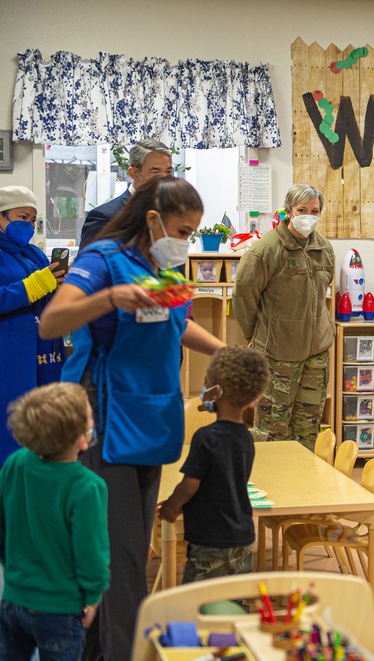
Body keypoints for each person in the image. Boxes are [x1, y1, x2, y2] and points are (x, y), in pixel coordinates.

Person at [38, 175, 224, 661]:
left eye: (192, 233)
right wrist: (109, 299)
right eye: (182, 231)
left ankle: (97, 653)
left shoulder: (167, 270)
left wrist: (228, 354)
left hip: (152, 412)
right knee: (119, 557)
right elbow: (51, 322)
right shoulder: (102, 260)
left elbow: (181, 325)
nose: (186, 242)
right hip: (103, 415)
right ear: (153, 220)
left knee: (132, 548)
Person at [0, 383, 110, 661]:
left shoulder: (15, 464)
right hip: (60, 610)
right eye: (89, 418)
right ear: (80, 439)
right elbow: (91, 553)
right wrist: (93, 596)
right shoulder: (87, 486)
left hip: (12, 599)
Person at [232, 184, 335, 450]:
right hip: (278, 354)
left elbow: (323, 290)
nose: (308, 216)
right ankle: (272, 486)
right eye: (302, 210)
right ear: (289, 211)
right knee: (272, 432)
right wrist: (257, 337)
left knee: (307, 429)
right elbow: (244, 298)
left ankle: (303, 488)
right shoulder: (265, 250)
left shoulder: (324, 248)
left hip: (317, 352)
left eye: (314, 211)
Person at [158, 346, 269, 583]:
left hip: (210, 539)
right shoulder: (246, 436)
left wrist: (171, 506)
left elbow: (189, 485)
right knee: (234, 599)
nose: (203, 389)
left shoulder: (206, 437)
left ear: (217, 391)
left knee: (201, 602)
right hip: (243, 536)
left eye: (206, 383)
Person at [0, 186, 66, 465]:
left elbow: (48, 294)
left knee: (47, 431)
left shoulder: (34, 254)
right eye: (21, 217)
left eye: (32, 220)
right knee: (12, 434)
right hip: (10, 360)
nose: (27, 225)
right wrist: (28, 288)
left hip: (46, 355)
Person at [79, 139, 173, 250]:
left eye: (168, 172)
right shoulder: (106, 217)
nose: (164, 178)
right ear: (134, 173)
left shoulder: (172, 213)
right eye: (155, 172)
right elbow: (87, 265)